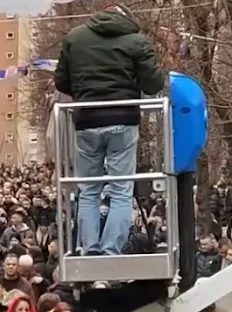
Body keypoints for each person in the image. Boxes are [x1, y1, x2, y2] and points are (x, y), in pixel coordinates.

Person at [54, 4, 165, 256]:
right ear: (126, 18)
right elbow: (153, 83)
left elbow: (61, 81)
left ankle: (89, 247)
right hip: (123, 119)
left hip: (87, 121)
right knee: (121, 190)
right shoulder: (136, 40)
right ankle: (111, 251)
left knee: (89, 190)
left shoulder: (74, 37)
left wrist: (85, 94)